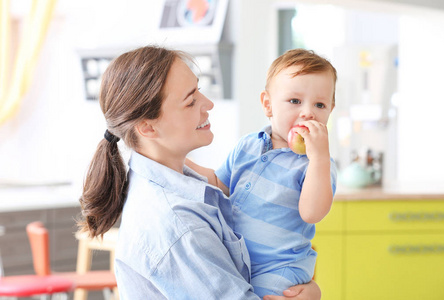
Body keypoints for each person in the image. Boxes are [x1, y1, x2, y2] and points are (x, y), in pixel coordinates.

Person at [77, 45, 322, 300]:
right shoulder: (179, 226)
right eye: (191, 100)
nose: (208, 104)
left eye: (199, 90)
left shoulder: (175, 184)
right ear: (148, 128)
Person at [186, 48, 338, 297]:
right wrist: (179, 162)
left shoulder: (317, 164)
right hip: (236, 261)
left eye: (319, 105)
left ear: (330, 110)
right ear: (268, 104)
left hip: (280, 268)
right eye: (295, 101)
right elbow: (217, 182)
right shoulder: (248, 145)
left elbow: (312, 213)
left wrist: (319, 157)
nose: (308, 112)